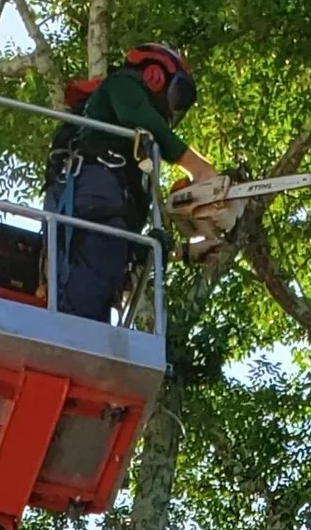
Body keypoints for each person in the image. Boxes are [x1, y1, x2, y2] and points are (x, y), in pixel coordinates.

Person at [45, 43, 215, 324]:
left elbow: (124, 245)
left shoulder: (130, 172)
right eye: (178, 94)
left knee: (87, 315)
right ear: (155, 76)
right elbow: (141, 117)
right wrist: (200, 169)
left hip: (95, 229)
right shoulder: (122, 84)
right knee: (79, 320)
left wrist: (182, 252)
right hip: (90, 214)